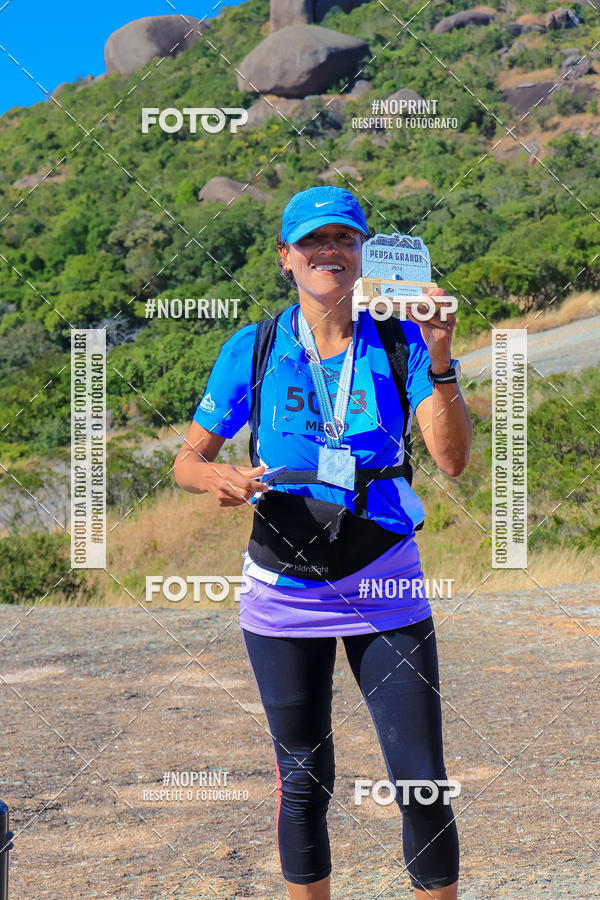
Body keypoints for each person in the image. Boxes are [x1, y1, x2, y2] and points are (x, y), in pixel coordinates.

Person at [174, 185, 473, 899]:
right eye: (312, 240)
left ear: (363, 252)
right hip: (283, 591)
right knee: (303, 779)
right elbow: (187, 460)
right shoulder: (254, 348)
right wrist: (217, 477)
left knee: (422, 783)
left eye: (343, 238)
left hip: (384, 583)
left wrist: (440, 355)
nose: (329, 250)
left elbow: (452, 460)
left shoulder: (400, 340)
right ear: (286, 257)